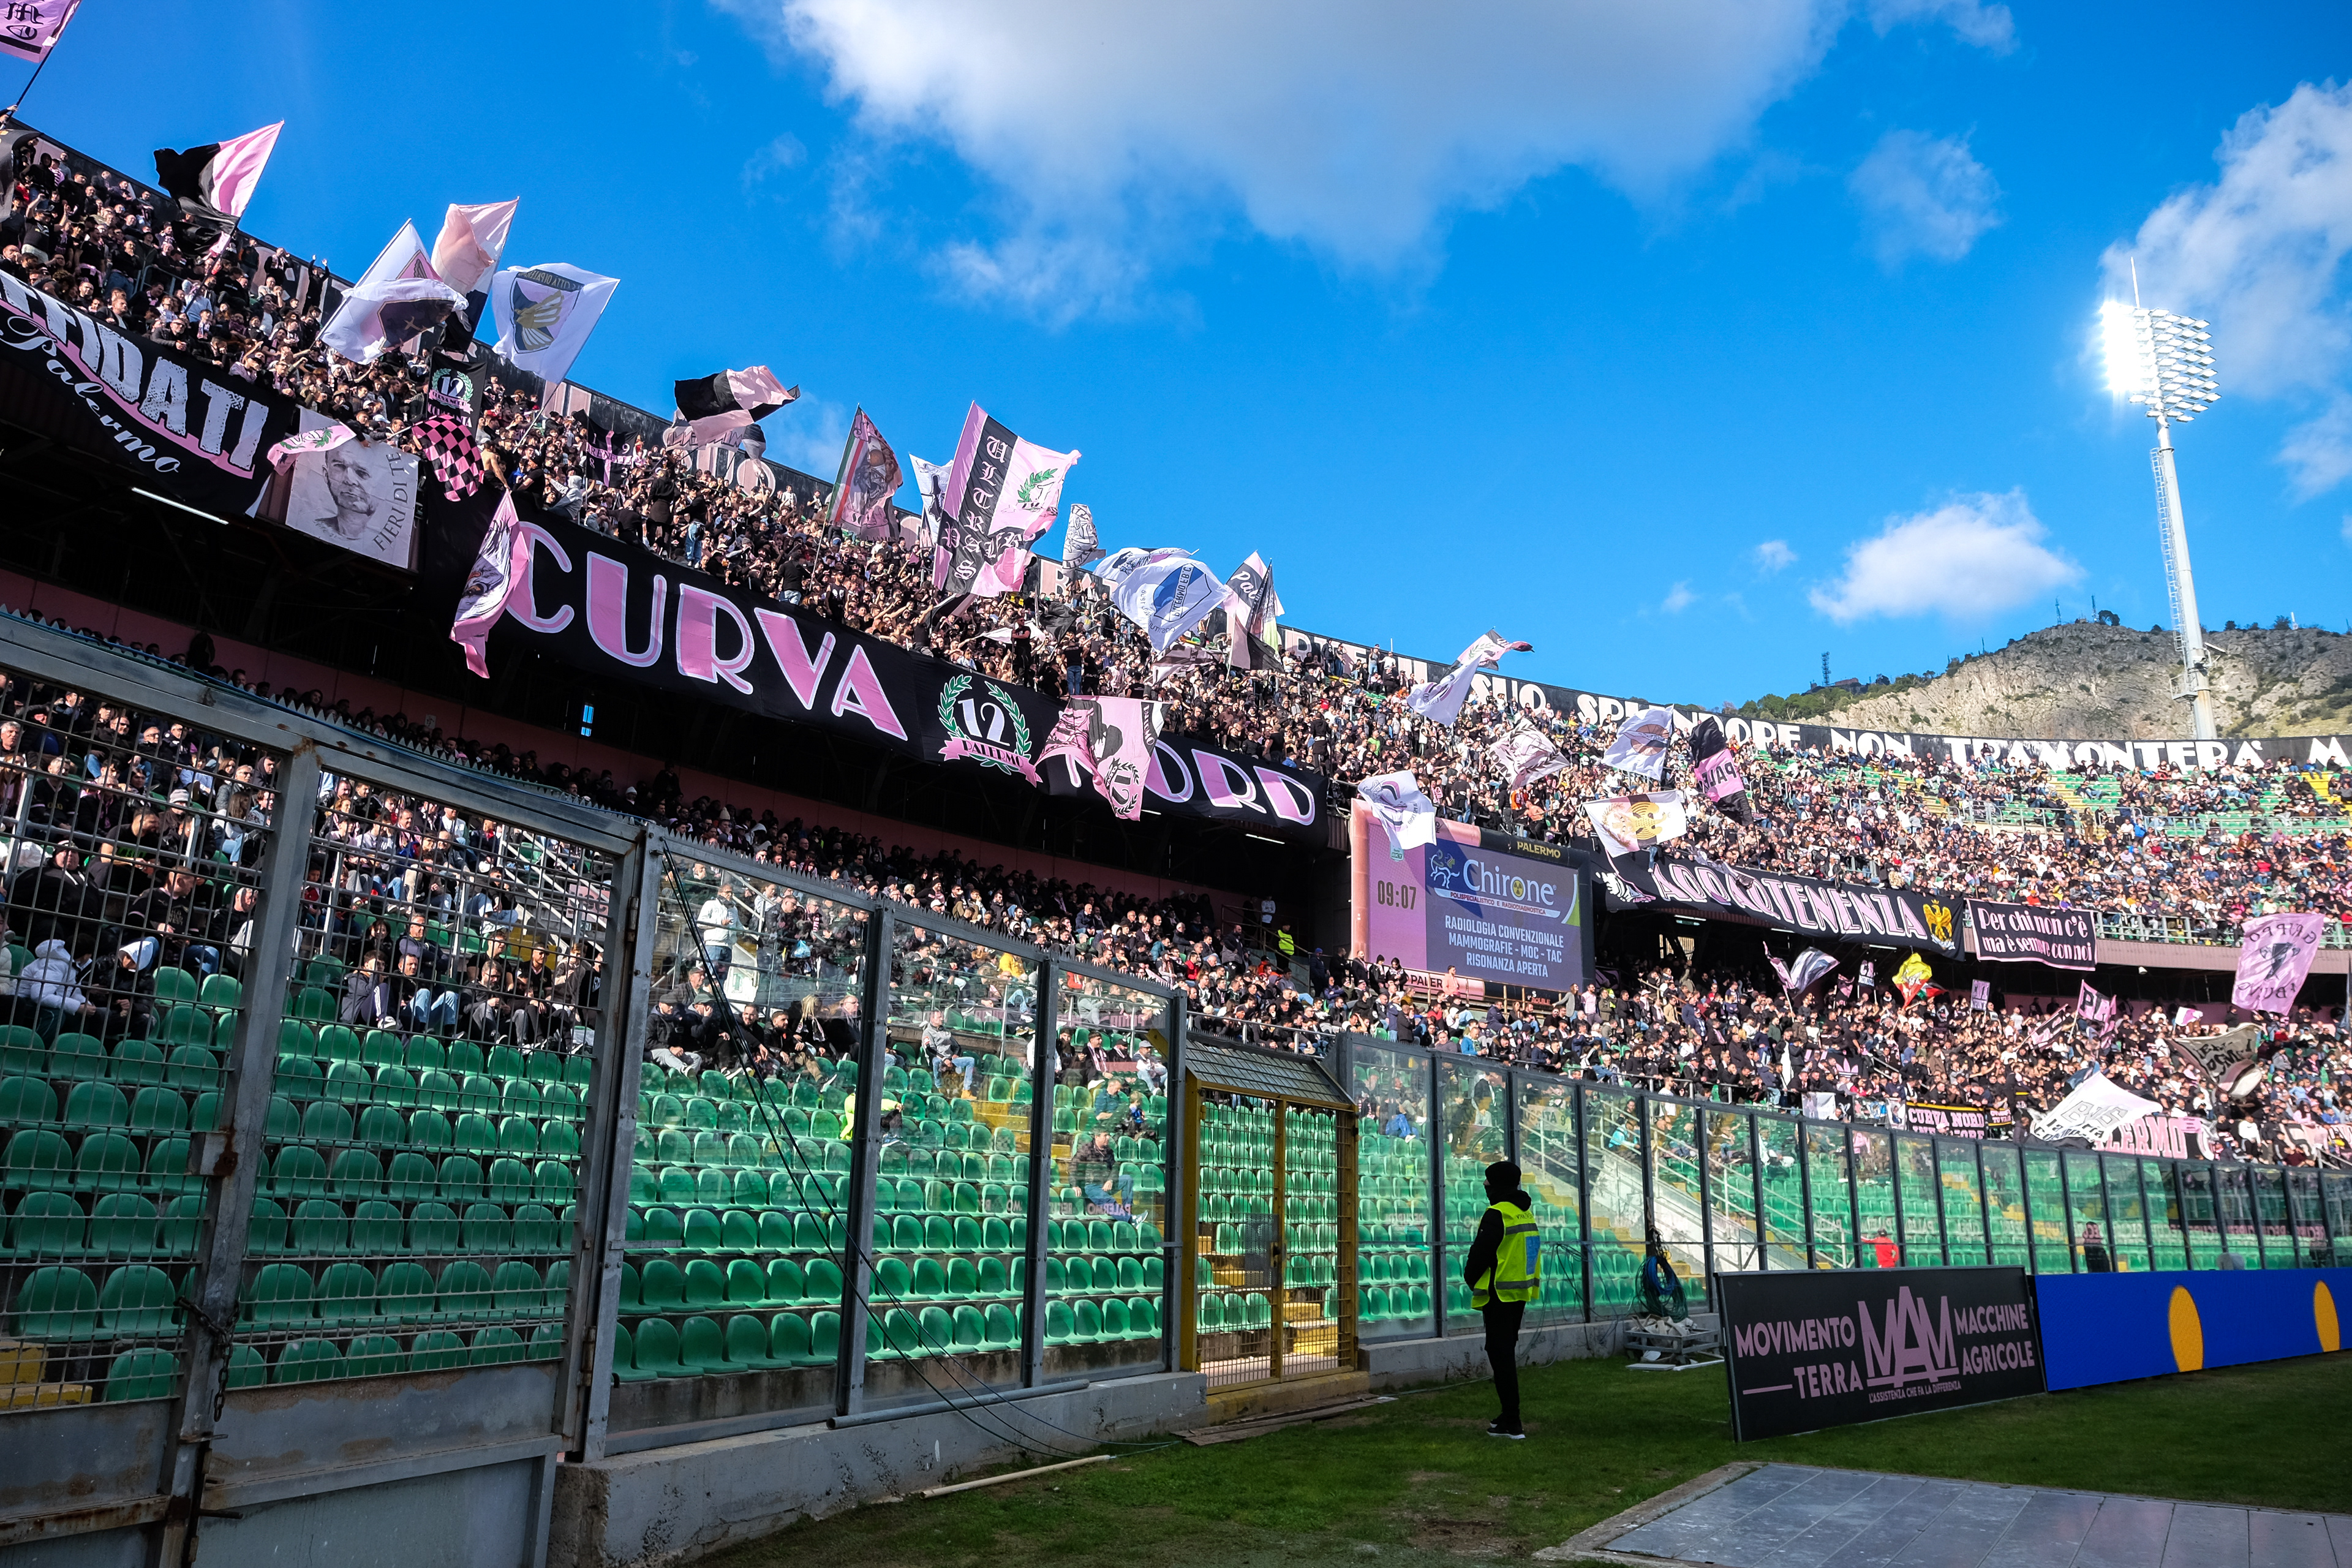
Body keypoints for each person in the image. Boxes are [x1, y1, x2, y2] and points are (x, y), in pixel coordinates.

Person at [1461, 1159, 1539, 1440]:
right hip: (1518, 1294)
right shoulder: (1524, 1213)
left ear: (1498, 1185)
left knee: (1500, 1355)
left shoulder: (1497, 1213)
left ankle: (1513, 1421)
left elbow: (1480, 1253)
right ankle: (1508, 1416)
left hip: (1499, 1296)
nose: (1485, 1184)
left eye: (1488, 1180)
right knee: (1503, 1352)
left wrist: (1471, 1279)